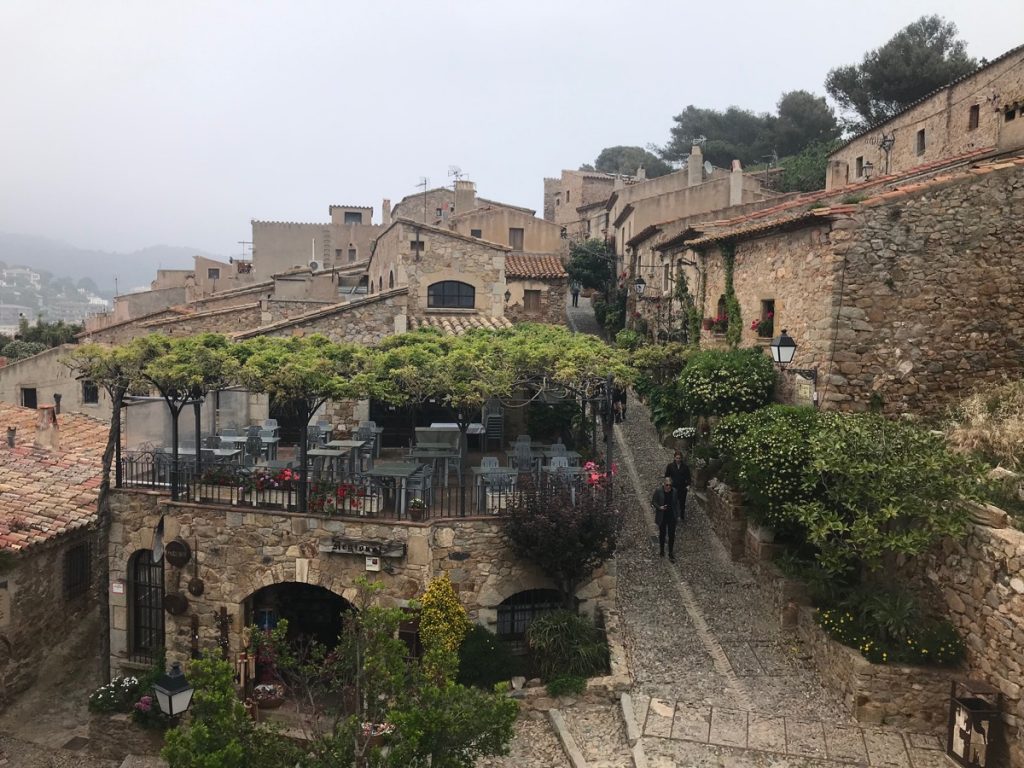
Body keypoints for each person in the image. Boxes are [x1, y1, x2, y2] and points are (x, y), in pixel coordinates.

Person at [651, 476, 681, 561]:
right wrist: (660, 507)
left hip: (671, 516)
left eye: (670, 485)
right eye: (667, 485)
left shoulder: (674, 491)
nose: (668, 487)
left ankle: (670, 552)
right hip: (662, 516)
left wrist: (678, 515)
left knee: (671, 535)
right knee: (662, 534)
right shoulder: (658, 491)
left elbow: (677, 503)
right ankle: (662, 550)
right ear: (664, 484)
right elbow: (653, 501)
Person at [664, 449, 691, 523]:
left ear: (681, 458)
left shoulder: (685, 467)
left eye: (679, 458)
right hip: (673, 487)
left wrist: (688, 485)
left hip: (682, 487)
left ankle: (681, 516)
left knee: (682, 503)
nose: (678, 459)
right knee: (673, 502)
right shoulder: (670, 466)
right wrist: (668, 484)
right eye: (677, 458)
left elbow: (688, 477)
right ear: (674, 458)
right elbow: (667, 476)